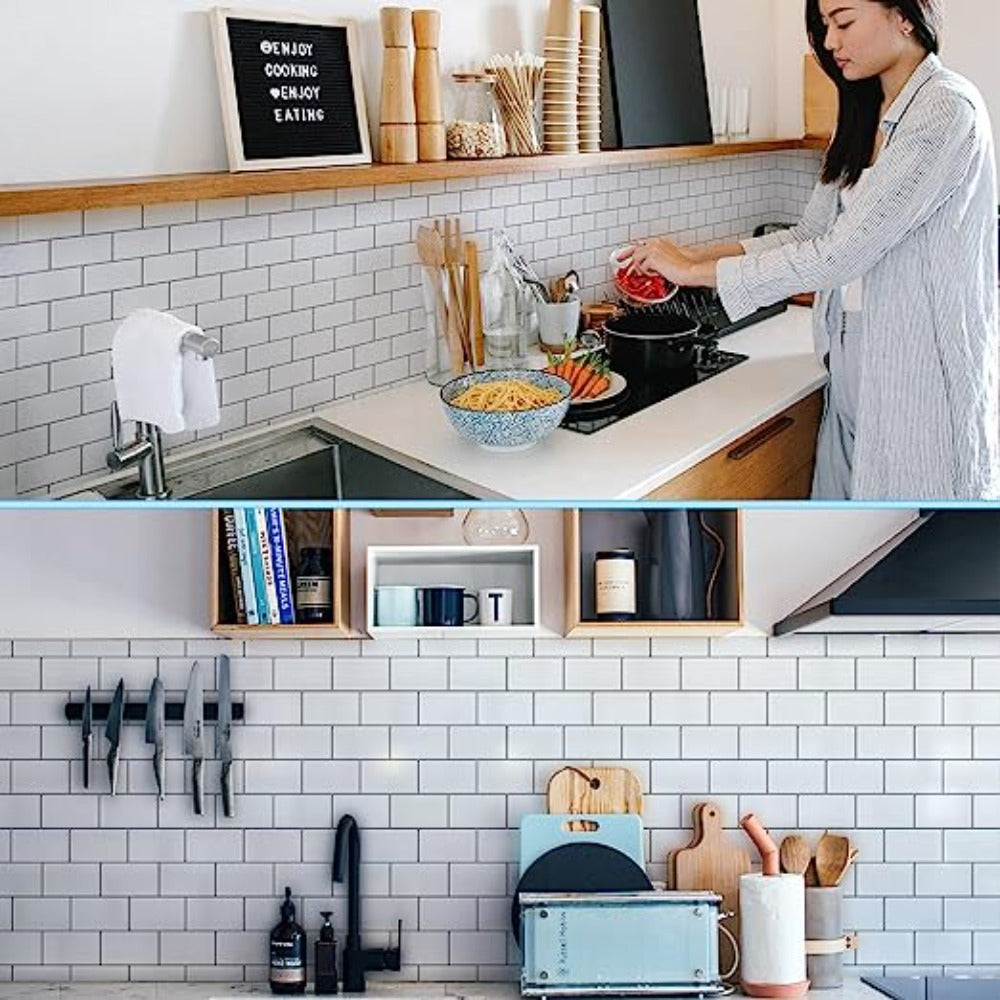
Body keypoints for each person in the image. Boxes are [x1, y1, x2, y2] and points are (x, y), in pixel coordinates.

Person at [627, 0, 999, 501]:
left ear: (905, 15)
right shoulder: (864, 112)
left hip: (920, 375)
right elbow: (809, 235)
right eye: (825, 26)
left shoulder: (946, 109)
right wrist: (692, 256)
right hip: (850, 359)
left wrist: (696, 274)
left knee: (911, 533)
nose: (830, 42)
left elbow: (840, 255)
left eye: (844, 21)